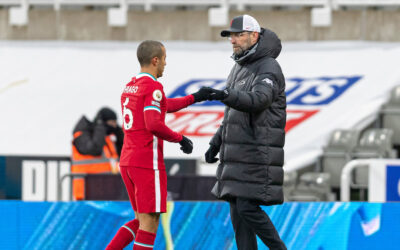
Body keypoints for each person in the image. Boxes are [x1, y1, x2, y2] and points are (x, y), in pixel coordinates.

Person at [106, 40, 211, 250]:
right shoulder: (153, 87)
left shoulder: (131, 86)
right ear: (155, 60)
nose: (165, 63)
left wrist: (194, 98)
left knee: (140, 222)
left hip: (128, 161)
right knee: (150, 223)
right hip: (146, 163)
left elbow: (162, 105)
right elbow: (153, 123)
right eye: (164, 59)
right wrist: (180, 139)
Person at [204, 15, 287, 250]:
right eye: (231, 35)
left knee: (247, 208)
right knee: (238, 214)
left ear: (254, 36)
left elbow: (259, 100)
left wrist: (224, 94)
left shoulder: (269, 66)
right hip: (238, 153)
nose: (233, 40)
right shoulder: (238, 67)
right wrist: (216, 143)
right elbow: (233, 114)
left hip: (256, 150)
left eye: (239, 34)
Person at [71, 107, 124, 200]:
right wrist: (100, 127)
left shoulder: (107, 138)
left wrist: (119, 133)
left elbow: (122, 152)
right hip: (86, 192)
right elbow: (94, 149)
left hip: (106, 191)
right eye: (112, 123)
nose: (114, 126)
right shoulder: (83, 134)